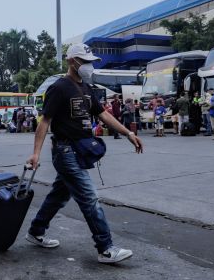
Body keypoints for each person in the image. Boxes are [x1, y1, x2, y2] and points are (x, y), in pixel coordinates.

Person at [25, 43, 143, 264]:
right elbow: (45, 122)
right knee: (89, 198)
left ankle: (36, 230)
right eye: (85, 61)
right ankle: (105, 248)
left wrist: (128, 133)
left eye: (91, 62)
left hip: (79, 151)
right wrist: (35, 154)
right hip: (65, 151)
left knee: (58, 196)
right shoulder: (59, 88)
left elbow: (104, 116)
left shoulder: (87, 89)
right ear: (71, 61)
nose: (89, 66)